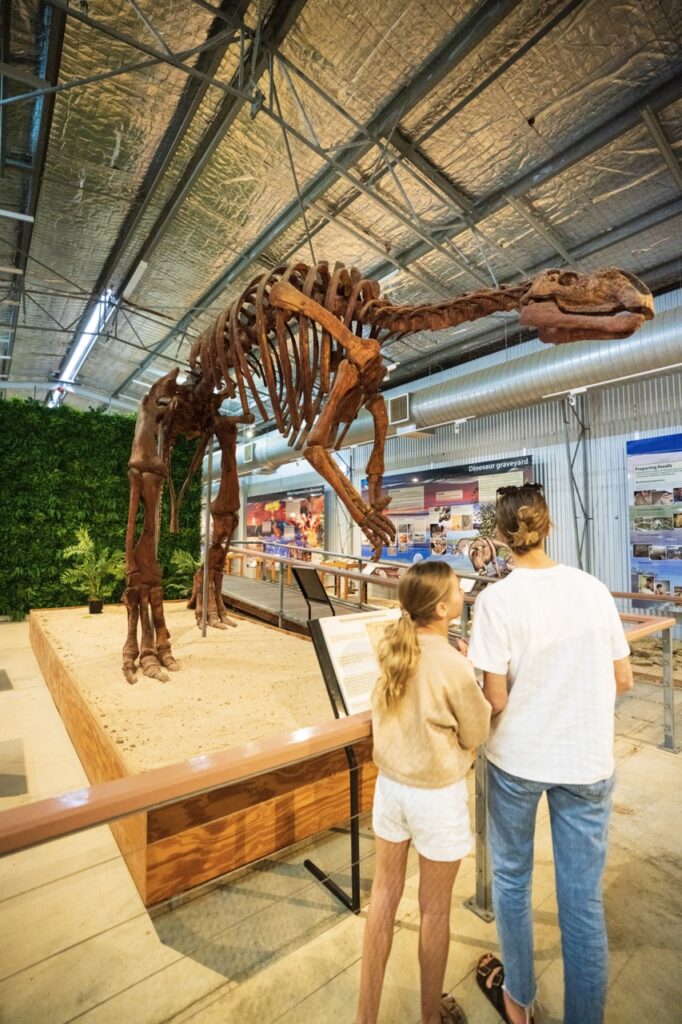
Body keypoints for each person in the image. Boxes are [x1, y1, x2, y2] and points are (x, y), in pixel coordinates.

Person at [467, 483, 633, 1024]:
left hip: (517, 760)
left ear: (498, 535)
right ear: (549, 527)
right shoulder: (593, 589)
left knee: (513, 878)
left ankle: (517, 997)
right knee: (581, 902)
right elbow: (623, 678)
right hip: (587, 761)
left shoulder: (496, 600)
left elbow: (495, 697)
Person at [356, 561, 491, 1024]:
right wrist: (470, 670)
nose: (462, 593)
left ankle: (365, 1016)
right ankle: (429, 1017)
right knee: (434, 913)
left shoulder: (392, 645)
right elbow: (477, 730)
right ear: (441, 607)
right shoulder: (453, 663)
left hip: (390, 790)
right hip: (436, 796)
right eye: (457, 589)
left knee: (384, 900)